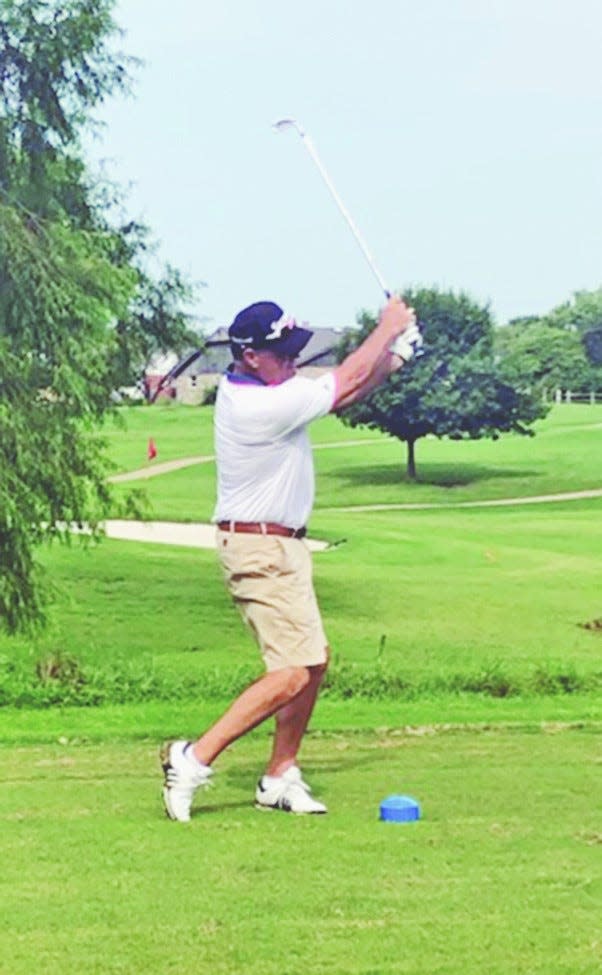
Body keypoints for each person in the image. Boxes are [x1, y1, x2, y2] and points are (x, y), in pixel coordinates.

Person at [161, 295, 422, 821]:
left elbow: (344, 394)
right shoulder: (259, 405)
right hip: (259, 549)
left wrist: (394, 361)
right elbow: (344, 381)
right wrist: (386, 330)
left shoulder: (271, 389)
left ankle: (280, 774)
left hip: (281, 546)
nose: (292, 361)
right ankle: (192, 758)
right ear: (251, 355)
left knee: (313, 660)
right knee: (290, 674)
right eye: (282, 352)